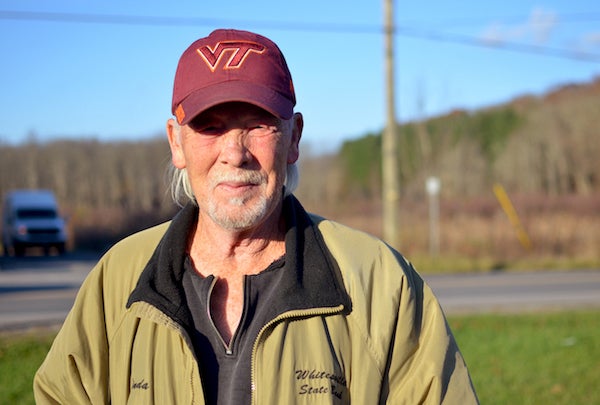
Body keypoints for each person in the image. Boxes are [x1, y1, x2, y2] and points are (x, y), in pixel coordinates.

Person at [34, 29, 478, 404]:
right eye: (211, 126)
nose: (235, 152)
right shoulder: (118, 281)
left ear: (293, 137)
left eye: (257, 124)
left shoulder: (380, 283)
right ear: (176, 142)